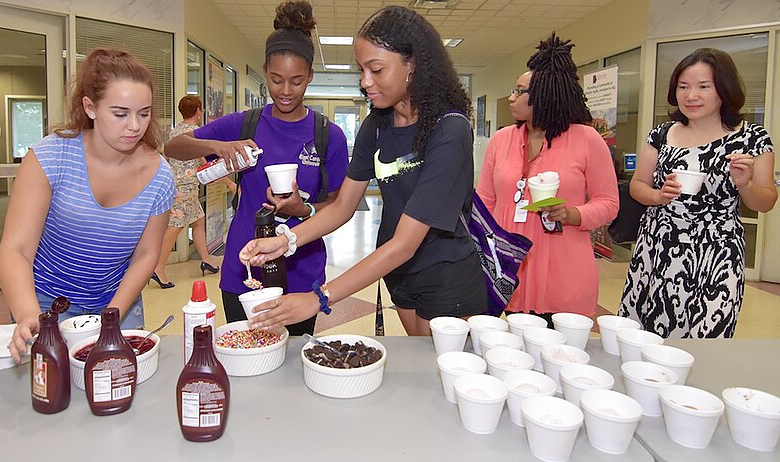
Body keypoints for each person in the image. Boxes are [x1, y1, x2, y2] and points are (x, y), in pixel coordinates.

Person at [240, 5, 487, 336]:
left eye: (376, 69)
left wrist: (319, 298)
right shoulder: (377, 123)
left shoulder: (450, 131)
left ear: (411, 65)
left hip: (445, 275)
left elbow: (406, 243)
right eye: (361, 70)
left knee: (435, 374)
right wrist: (287, 240)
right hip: (398, 271)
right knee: (418, 363)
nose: (365, 82)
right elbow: (343, 205)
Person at [164, 0, 349, 335]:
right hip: (242, 269)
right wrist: (218, 146)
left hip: (300, 274)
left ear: (310, 76)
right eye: (277, 80)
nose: (286, 91)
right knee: (246, 356)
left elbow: (339, 204)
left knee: (291, 366)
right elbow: (173, 147)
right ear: (265, 72)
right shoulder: (245, 123)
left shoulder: (328, 136)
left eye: (296, 81)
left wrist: (302, 208)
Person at [0, 48, 176, 362]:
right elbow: (17, 249)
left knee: (118, 382)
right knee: (51, 387)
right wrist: (29, 313)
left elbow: (147, 254)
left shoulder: (160, 175)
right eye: (120, 114)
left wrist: (112, 316)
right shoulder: (50, 157)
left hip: (118, 299)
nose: (135, 126)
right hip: (46, 299)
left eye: (144, 113)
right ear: (90, 107)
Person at [619, 48, 776, 338]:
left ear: (723, 89)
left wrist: (745, 184)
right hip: (658, 248)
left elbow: (765, 201)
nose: (691, 96)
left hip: (716, 251)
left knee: (707, 338)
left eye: (704, 86)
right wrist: (658, 196)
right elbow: (638, 185)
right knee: (645, 337)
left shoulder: (751, 138)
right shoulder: (662, 134)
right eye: (683, 87)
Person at [476, 33, 619, 327]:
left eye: (520, 91)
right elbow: (485, 202)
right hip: (511, 269)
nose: (512, 97)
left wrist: (573, 213)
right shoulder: (502, 139)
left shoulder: (586, 139)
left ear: (547, 94)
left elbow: (609, 203)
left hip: (564, 271)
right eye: (513, 89)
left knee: (561, 358)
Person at [152, 95, 236, 289]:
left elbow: (166, 157)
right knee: (176, 226)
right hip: (185, 187)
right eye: (202, 109)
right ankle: (158, 267)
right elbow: (205, 164)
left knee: (198, 221)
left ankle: (205, 259)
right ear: (198, 111)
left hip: (176, 184)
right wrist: (228, 183)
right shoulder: (194, 133)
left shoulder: (175, 131)